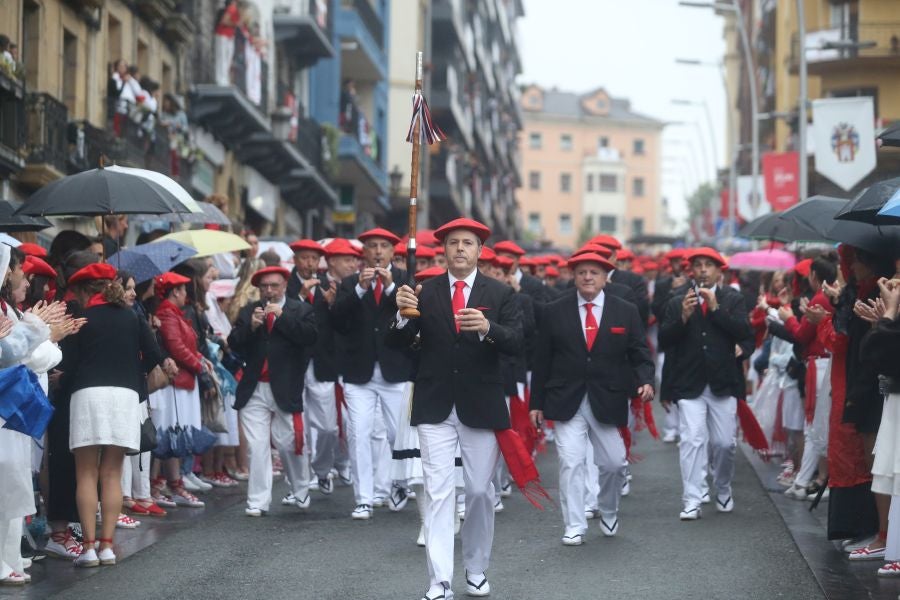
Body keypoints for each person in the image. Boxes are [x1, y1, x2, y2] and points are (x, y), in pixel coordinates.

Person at [390, 217, 523, 600]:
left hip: (481, 403)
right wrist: (401, 315)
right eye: (453, 243)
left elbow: (516, 342)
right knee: (438, 492)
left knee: (480, 491)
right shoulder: (423, 292)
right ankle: (439, 581)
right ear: (443, 250)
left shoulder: (499, 294)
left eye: (468, 243)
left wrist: (486, 328)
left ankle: (476, 568)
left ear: (481, 251)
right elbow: (396, 343)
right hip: (435, 404)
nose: (460, 248)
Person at [530, 252, 654, 545]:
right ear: (573, 276)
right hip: (565, 399)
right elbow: (541, 360)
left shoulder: (625, 310)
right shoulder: (554, 310)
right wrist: (536, 403)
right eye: (582, 272)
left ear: (604, 277)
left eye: (594, 272)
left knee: (614, 463)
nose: (588, 277)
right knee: (571, 463)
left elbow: (640, 352)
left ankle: (608, 509)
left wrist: (646, 380)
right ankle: (574, 524)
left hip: (608, 397)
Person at [61, 263, 161, 567]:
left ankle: (88, 548)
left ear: (86, 292)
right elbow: (155, 355)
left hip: (88, 395)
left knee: (86, 474)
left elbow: (69, 362)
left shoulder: (81, 318)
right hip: (125, 396)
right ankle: (107, 547)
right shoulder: (132, 316)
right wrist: (132, 370)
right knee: (113, 473)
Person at [658, 247, 751, 521]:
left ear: (719, 270)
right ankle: (692, 498)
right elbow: (665, 342)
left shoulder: (732, 299)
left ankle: (722, 486)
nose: (702, 270)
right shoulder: (678, 300)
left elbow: (744, 333)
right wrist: (683, 319)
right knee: (692, 440)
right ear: (691, 271)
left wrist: (715, 309)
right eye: (697, 265)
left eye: (708, 265)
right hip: (689, 383)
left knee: (724, 444)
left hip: (723, 382)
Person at [331, 228, 413, 519]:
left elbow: (411, 319)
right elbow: (337, 320)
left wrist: (391, 290)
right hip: (358, 372)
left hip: (395, 368)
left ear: (393, 252)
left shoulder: (403, 280)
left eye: (384, 247)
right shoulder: (351, 283)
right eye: (372, 247)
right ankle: (363, 498)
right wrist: (359, 292)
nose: (378, 252)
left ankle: (399, 484)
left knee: (397, 434)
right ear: (363, 253)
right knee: (358, 434)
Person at [228, 266, 317, 516]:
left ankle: (300, 488)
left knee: (289, 443)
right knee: (257, 447)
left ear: (285, 285)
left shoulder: (301, 309)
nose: (269, 291)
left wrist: (283, 318)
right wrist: (251, 328)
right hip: (254, 388)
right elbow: (234, 343)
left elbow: (310, 338)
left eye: (274, 285)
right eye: (264, 286)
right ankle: (257, 501)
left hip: (286, 387)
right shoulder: (249, 311)